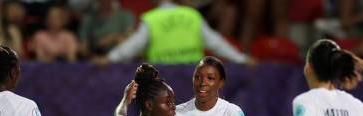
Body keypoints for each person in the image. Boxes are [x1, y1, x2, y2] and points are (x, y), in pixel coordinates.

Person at [99, 0, 255, 65]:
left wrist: (109, 58)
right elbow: (216, 43)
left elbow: (132, 46)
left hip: (163, 79)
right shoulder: (192, 15)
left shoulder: (153, 18)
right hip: (193, 78)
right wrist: (242, 59)